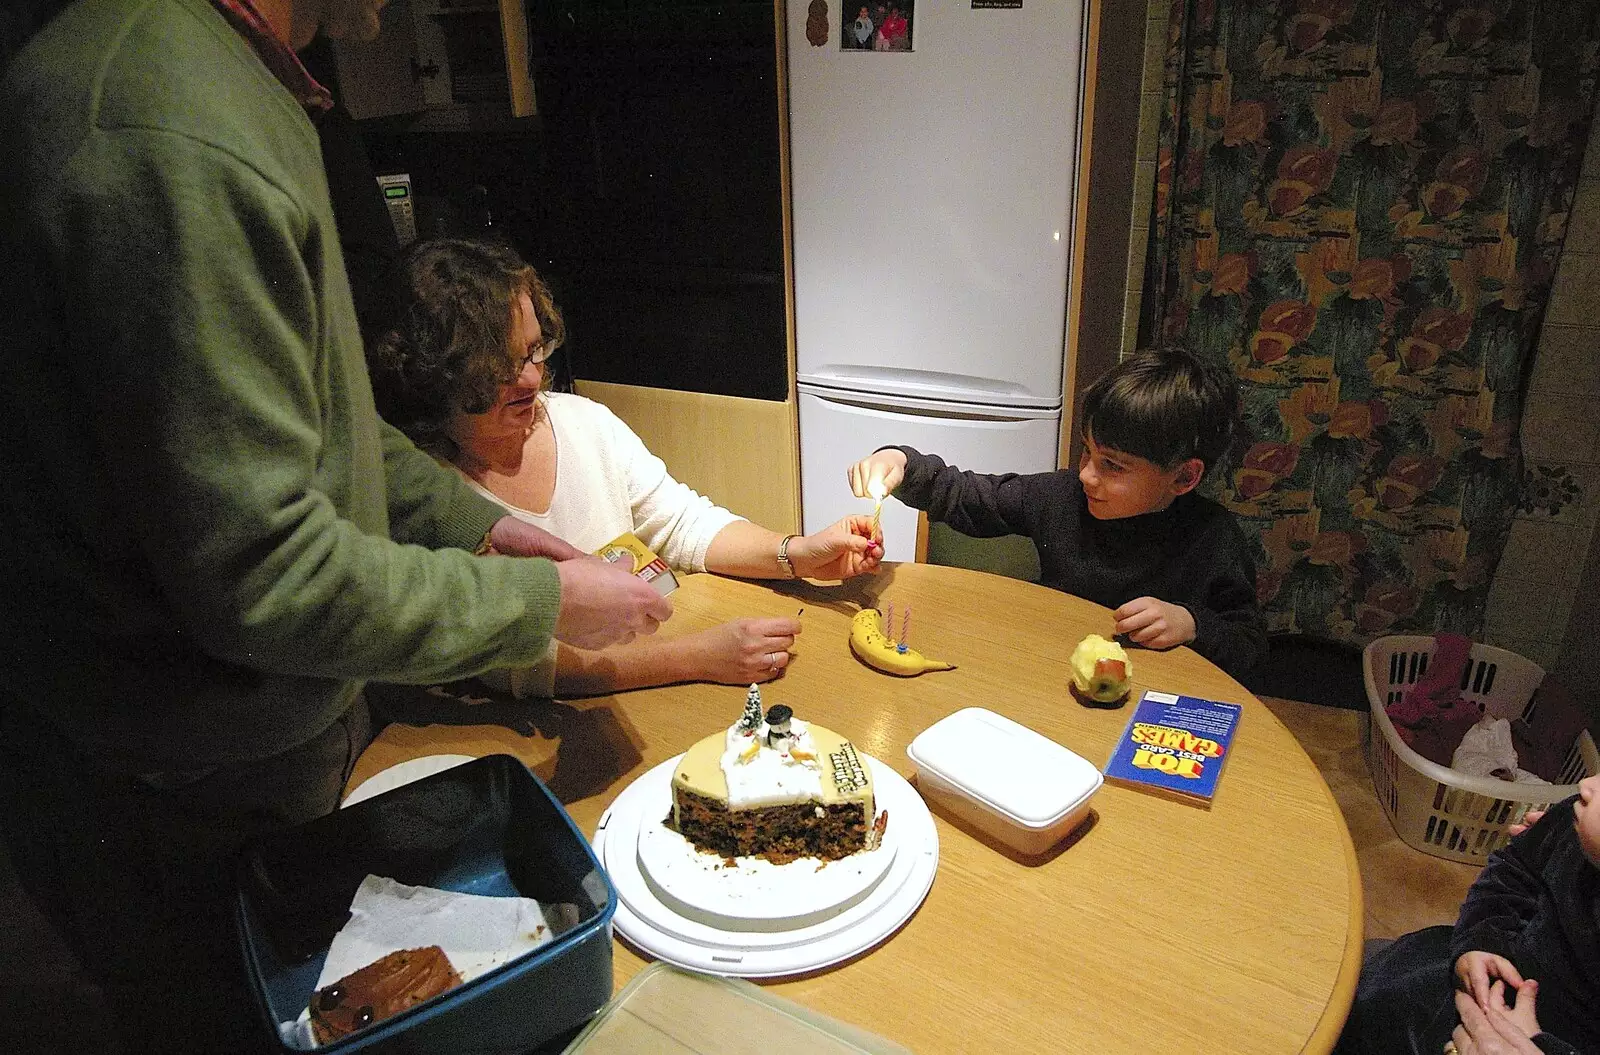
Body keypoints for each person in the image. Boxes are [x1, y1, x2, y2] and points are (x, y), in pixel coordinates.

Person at [0, 1, 670, 1051]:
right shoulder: (167, 127)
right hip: (172, 793)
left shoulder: (238, 80)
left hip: (245, 756)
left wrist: (481, 529)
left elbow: (327, 435)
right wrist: (540, 602)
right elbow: (262, 571)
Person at [367, 238, 885, 696]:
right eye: (499, 368)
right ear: (435, 377)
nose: (531, 380)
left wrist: (796, 554)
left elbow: (681, 523)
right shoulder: (419, 493)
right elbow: (517, 669)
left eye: (534, 351)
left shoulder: (583, 422)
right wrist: (697, 657)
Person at [847, 347, 1266, 677]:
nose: (1085, 475)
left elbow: (1248, 644)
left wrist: (1191, 623)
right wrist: (900, 461)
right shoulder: (1060, 497)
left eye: (1112, 466)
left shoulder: (1213, 536)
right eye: (1087, 451)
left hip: (1149, 703)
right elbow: (969, 494)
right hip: (1049, 676)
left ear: (1184, 478)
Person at [1334, 775, 1600, 1055]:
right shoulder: (1572, 820)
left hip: (1540, 1031)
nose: (1586, 784)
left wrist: (1542, 1044)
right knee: (1367, 998)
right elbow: (1515, 870)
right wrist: (1481, 941)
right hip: (1456, 975)